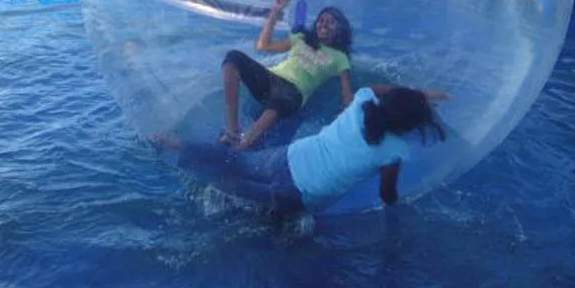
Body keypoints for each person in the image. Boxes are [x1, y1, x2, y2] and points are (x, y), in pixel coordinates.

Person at [153, 85, 446, 215]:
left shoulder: (362, 102)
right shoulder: (396, 151)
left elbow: (377, 88)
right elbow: (387, 193)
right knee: (243, 194)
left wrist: (416, 93)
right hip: (304, 193)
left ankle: (175, 145)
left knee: (237, 160)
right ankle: (222, 187)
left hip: (291, 157)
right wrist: (398, 205)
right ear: (409, 125)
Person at [220, 0, 354, 149]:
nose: (324, 24)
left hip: (294, 91)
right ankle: (232, 130)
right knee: (233, 58)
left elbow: (346, 94)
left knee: (281, 98)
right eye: (321, 20)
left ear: (339, 30)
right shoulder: (302, 38)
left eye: (331, 22)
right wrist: (275, 12)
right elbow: (264, 45)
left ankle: (244, 144)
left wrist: (347, 118)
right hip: (270, 78)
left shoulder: (340, 57)